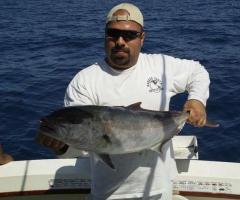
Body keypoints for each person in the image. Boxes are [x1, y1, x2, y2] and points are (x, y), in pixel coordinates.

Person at [37, 3, 210, 200]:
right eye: (113, 34)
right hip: (107, 193)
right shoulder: (85, 80)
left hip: (159, 191)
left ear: (142, 38)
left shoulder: (160, 66)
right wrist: (61, 146)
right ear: (105, 36)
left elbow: (198, 72)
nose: (120, 41)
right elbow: (82, 144)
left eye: (129, 35)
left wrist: (197, 100)